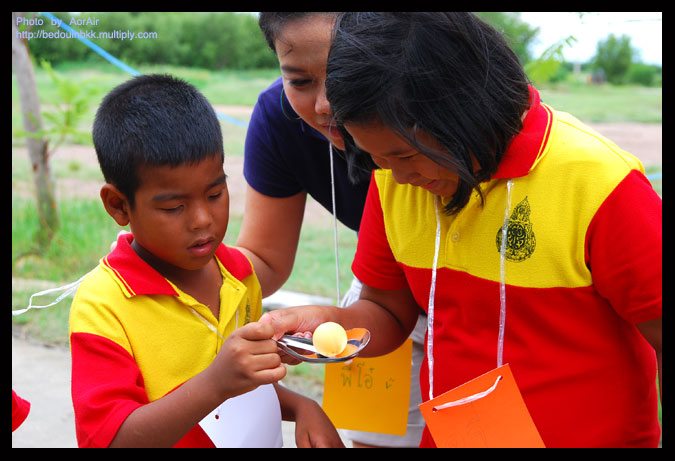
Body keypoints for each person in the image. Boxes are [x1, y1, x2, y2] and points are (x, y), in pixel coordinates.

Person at [261, 12, 662, 447]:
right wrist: (327, 325)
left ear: (462, 108)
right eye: (377, 157)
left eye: (406, 156)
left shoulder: (597, 184)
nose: (394, 175)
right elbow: (389, 311)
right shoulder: (393, 179)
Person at [69, 74, 343, 447]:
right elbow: (110, 439)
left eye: (215, 194)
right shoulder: (103, 305)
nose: (202, 220)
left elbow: (241, 386)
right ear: (118, 205)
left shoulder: (237, 274)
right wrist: (214, 383)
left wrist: (299, 406)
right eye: (174, 206)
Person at [237, 12, 426, 448]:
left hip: (483, 301)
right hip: (380, 298)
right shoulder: (279, 122)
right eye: (300, 81)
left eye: (345, 74)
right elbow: (262, 258)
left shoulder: (436, 113)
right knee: (377, 440)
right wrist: (169, 264)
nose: (326, 104)